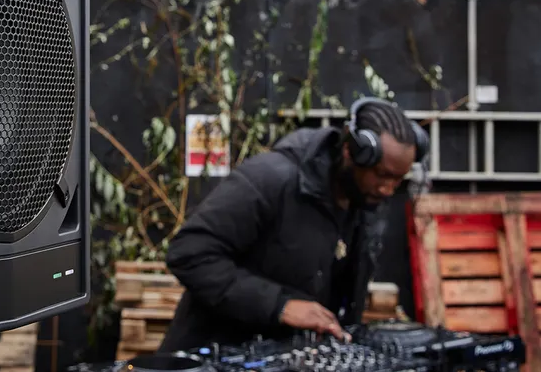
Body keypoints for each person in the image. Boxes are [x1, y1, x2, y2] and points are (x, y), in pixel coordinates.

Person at [159, 97, 429, 352]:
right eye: (382, 175)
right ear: (351, 151)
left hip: (288, 364)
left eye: (398, 180)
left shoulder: (362, 199)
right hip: (213, 363)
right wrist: (280, 305)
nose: (388, 189)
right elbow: (189, 253)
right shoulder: (270, 179)